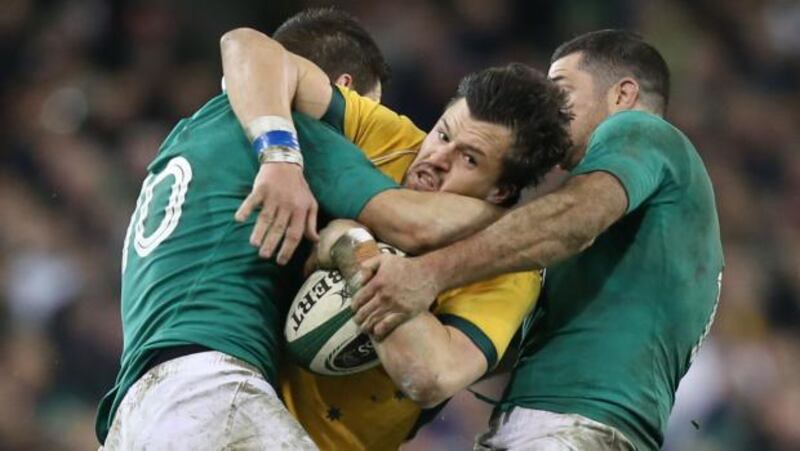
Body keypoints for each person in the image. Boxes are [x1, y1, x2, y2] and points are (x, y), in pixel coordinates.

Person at [96, 9, 506, 450]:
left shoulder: (189, 135)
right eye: (372, 108)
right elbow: (411, 222)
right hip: (209, 393)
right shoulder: (303, 132)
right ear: (342, 90)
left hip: (135, 414)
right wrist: (529, 221)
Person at [352, 30, 724, 450]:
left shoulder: (644, 132)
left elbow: (571, 220)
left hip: (577, 428)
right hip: (546, 427)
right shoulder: (624, 247)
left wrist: (429, 272)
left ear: (623, 94)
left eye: (562, 90)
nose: (550, 108)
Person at [220, 27, 571, 449]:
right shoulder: (391, 138)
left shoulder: (509, 274)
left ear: (500, 191)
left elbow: (431, 375)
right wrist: (279, 155)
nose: (436, 158)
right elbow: (245, 46)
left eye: (469, 159)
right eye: (443, 134)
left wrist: (350, 246)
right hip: (231, 410)